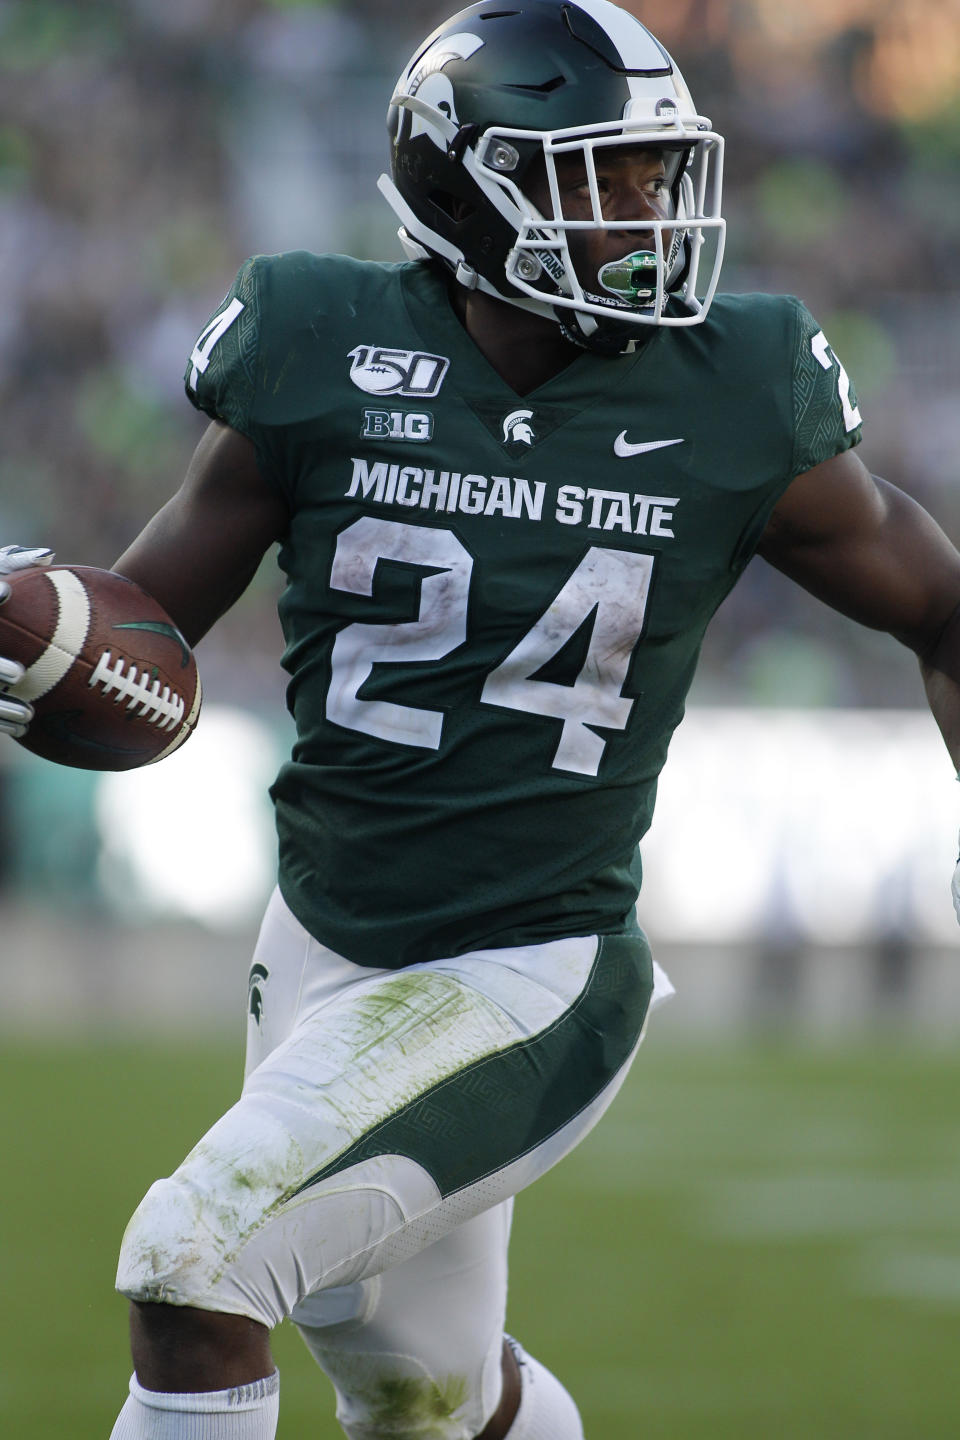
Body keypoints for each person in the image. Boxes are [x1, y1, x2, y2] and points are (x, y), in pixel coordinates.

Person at [2, 1, 960, 1436]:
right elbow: (142, 645)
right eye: (607, 180)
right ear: (472, 188)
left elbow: (942, 605)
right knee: (423, 1404)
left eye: (658, 174)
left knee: (193, 1268)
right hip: (323, 940)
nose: (651, 213)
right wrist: (43, 650)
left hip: (534, 965)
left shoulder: (736, 384)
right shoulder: (318, 340)